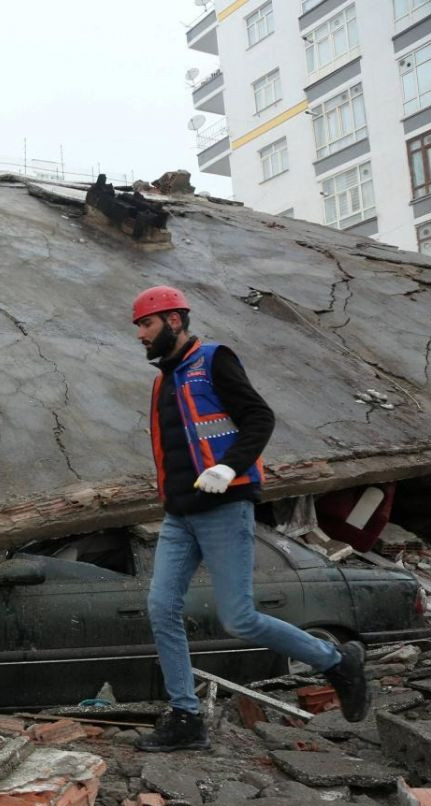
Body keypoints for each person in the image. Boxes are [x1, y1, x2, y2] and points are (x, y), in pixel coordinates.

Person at [130, 285, 369, 752]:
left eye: (146, 324)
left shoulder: (215, 359)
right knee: (161, 609)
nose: (140, 335)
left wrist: (228, 467)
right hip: (180, 517)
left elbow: (259, 418)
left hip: (224, 508)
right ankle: (185, 718)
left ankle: (337, 661)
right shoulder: (163, 380)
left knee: (238, 618)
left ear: (174, 321)